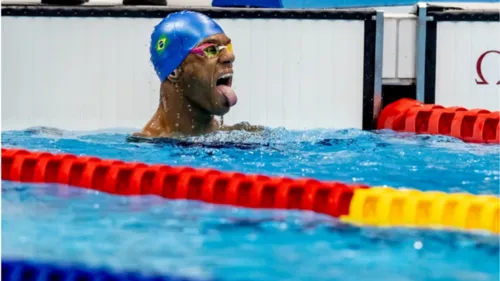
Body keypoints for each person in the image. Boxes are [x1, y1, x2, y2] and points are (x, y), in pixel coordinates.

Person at [133, 10, 263, 139]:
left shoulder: (244, 135)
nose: (230, 56)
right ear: (174, 71)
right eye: (211, 49)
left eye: (227, 47)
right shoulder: (144, 147)